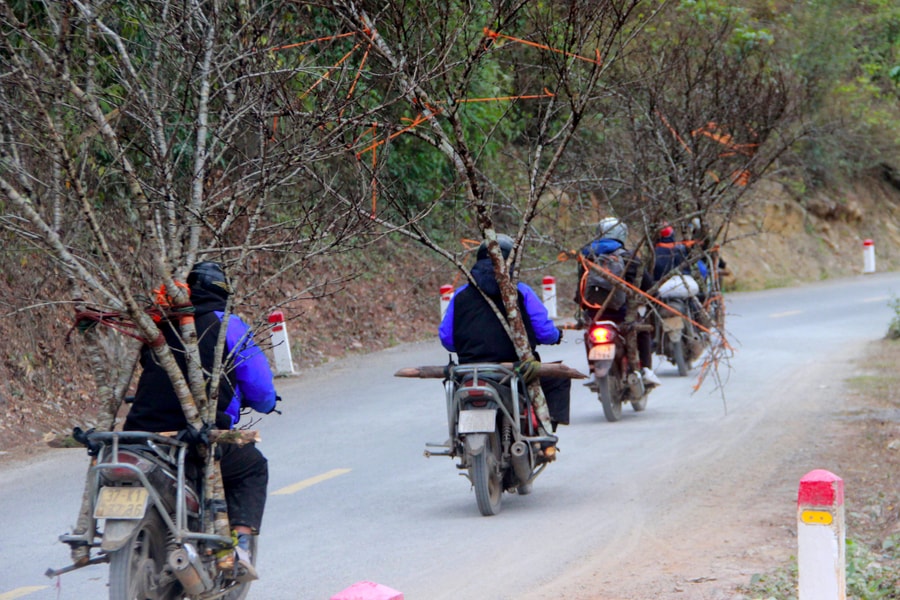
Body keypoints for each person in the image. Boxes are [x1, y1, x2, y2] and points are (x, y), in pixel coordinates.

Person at [124, 261, 278, 582]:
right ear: (224, 293)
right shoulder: (228, 326)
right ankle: (239, 549)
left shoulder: (160, 325)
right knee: (252, 466)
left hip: (139, 439)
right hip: (191, 440)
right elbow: (262, 392)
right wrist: (265, 402)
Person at [438, 235, 570, 435]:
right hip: (516, 370)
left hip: (470, 371)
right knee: (558, 377)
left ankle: (460, 440)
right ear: (510, 261)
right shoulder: (519, 291)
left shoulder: (461, 294)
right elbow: (544, 332)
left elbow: (447, 339)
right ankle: (544, 434)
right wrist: (556, 336)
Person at [575, 217, 661, 388]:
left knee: (589, 335)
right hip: (623, 314)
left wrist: (582, 310)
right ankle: (645, 370)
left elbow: (580, 289)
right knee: (641, 331)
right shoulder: (630, 258)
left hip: (595, 313)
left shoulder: (587, 256)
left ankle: (593, 371)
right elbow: (649, 288)